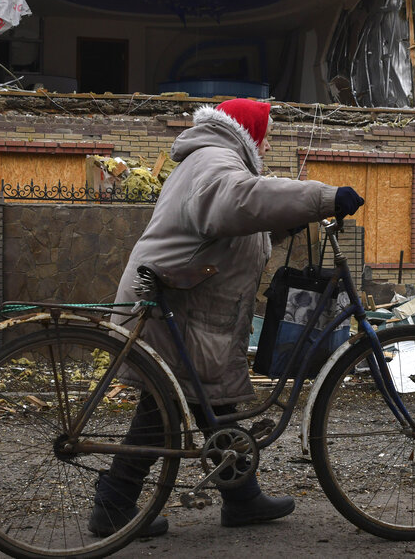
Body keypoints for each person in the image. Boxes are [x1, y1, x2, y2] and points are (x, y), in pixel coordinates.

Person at [90, 98, 364, 538]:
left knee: (212, 404)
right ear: (247, 130)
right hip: (176, 305)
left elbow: (224, 225)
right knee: (162, 411)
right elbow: (236, 201)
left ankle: (241, 497)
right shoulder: (216, 159)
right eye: (266, 134)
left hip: (184, 301)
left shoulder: (212, 159)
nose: (269, 144)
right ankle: (114, 505)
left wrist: (282, 225)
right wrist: (322, 198)